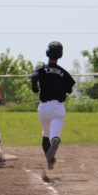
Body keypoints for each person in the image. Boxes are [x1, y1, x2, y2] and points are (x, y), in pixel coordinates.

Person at [31, 41, 76, 170]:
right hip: (57, 108)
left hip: (43, 108)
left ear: (47, 53)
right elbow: (70, 89)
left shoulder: (42, 68)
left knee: (46, 133)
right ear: (60, 55)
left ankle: (51, 160)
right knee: (53, 135)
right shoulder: (63, 72)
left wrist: (35, 87)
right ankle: (55, 140)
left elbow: (34, 76)